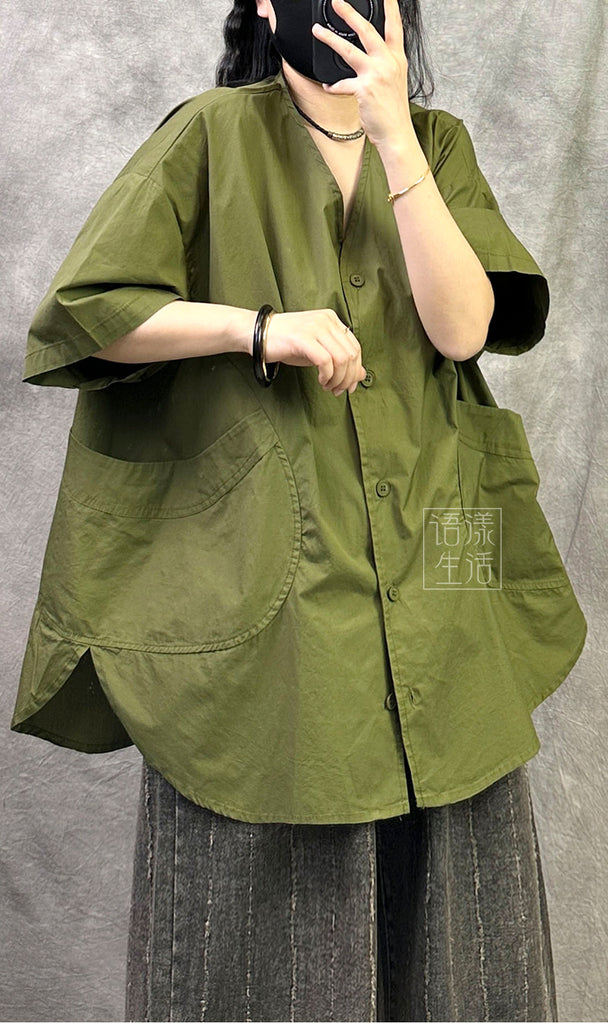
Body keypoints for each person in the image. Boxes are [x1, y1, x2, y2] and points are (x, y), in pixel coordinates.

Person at [10, 0, 587, 1020]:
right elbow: (89, 315)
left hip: (438, 551)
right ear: (268, 8)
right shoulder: (211, 134)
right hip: (272, 564)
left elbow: (463, 330)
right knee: (271, 869)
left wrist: (395, 138)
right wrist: (258, 328)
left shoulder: (436, 144)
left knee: (460, 888)